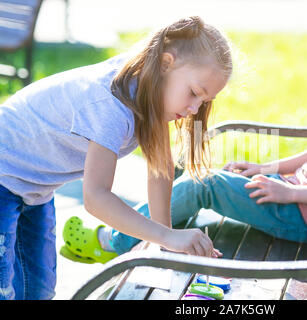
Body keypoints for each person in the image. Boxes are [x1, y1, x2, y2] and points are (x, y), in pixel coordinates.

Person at [64, 14, 307, 266]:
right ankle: (159, 234)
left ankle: (114, 242)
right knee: (196, 180)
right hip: (298, 200)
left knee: (204, 185)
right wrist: (268, 169)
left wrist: (288, 192)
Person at [0, 16, 232, 300]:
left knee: (38, 290)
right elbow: (96, 197)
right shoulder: (111, 104)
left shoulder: (151, 87)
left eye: (204, 101)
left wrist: (166, 241)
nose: (195, 109)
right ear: (166, 63)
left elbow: (160, 167)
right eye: (194, 93)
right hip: (4, 178)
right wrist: (166, 237)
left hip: (31, 188)